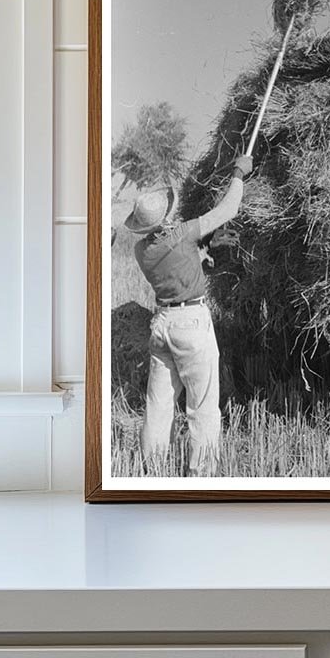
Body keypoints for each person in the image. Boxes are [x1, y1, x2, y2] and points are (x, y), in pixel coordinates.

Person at [125, 153, 252, 473]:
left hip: (163, 325)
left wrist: (206, 249)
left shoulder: (142, 250)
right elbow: (227, 210)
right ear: (167, 216)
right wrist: (239, 172)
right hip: (191, 324)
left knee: (158, 407)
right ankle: (202, 477)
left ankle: (152, 471)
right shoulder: (182, 234)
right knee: (204, 407)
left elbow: (184, 259)